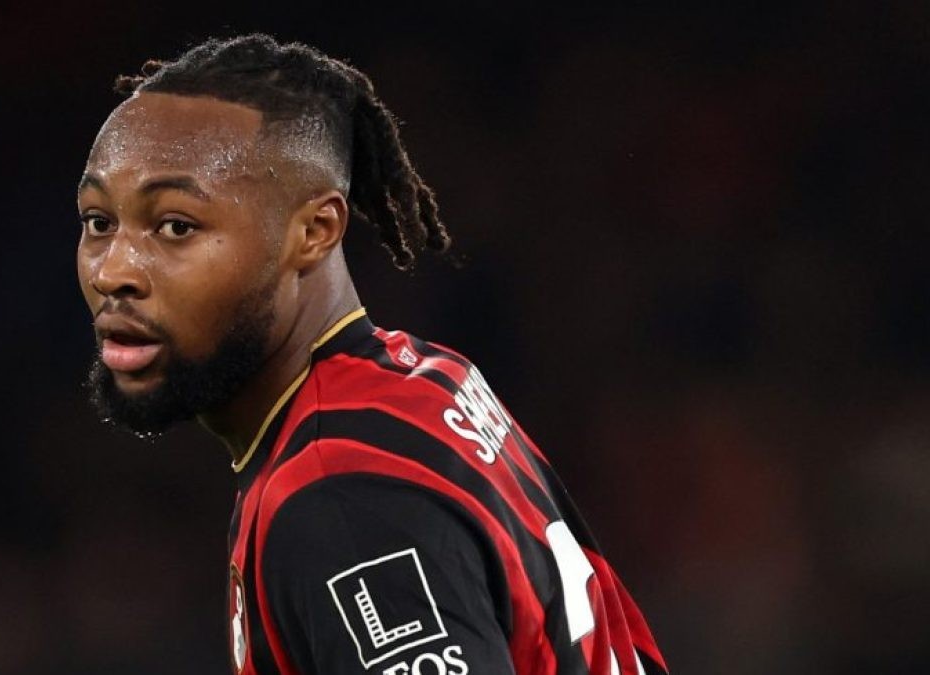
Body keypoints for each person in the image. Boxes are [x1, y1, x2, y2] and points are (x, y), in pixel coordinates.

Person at [76, 33, 668, 675]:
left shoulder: (340, 498)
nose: (113, 272)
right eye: (99, 222)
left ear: (314, 231)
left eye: (176, 227)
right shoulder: (418, 377)